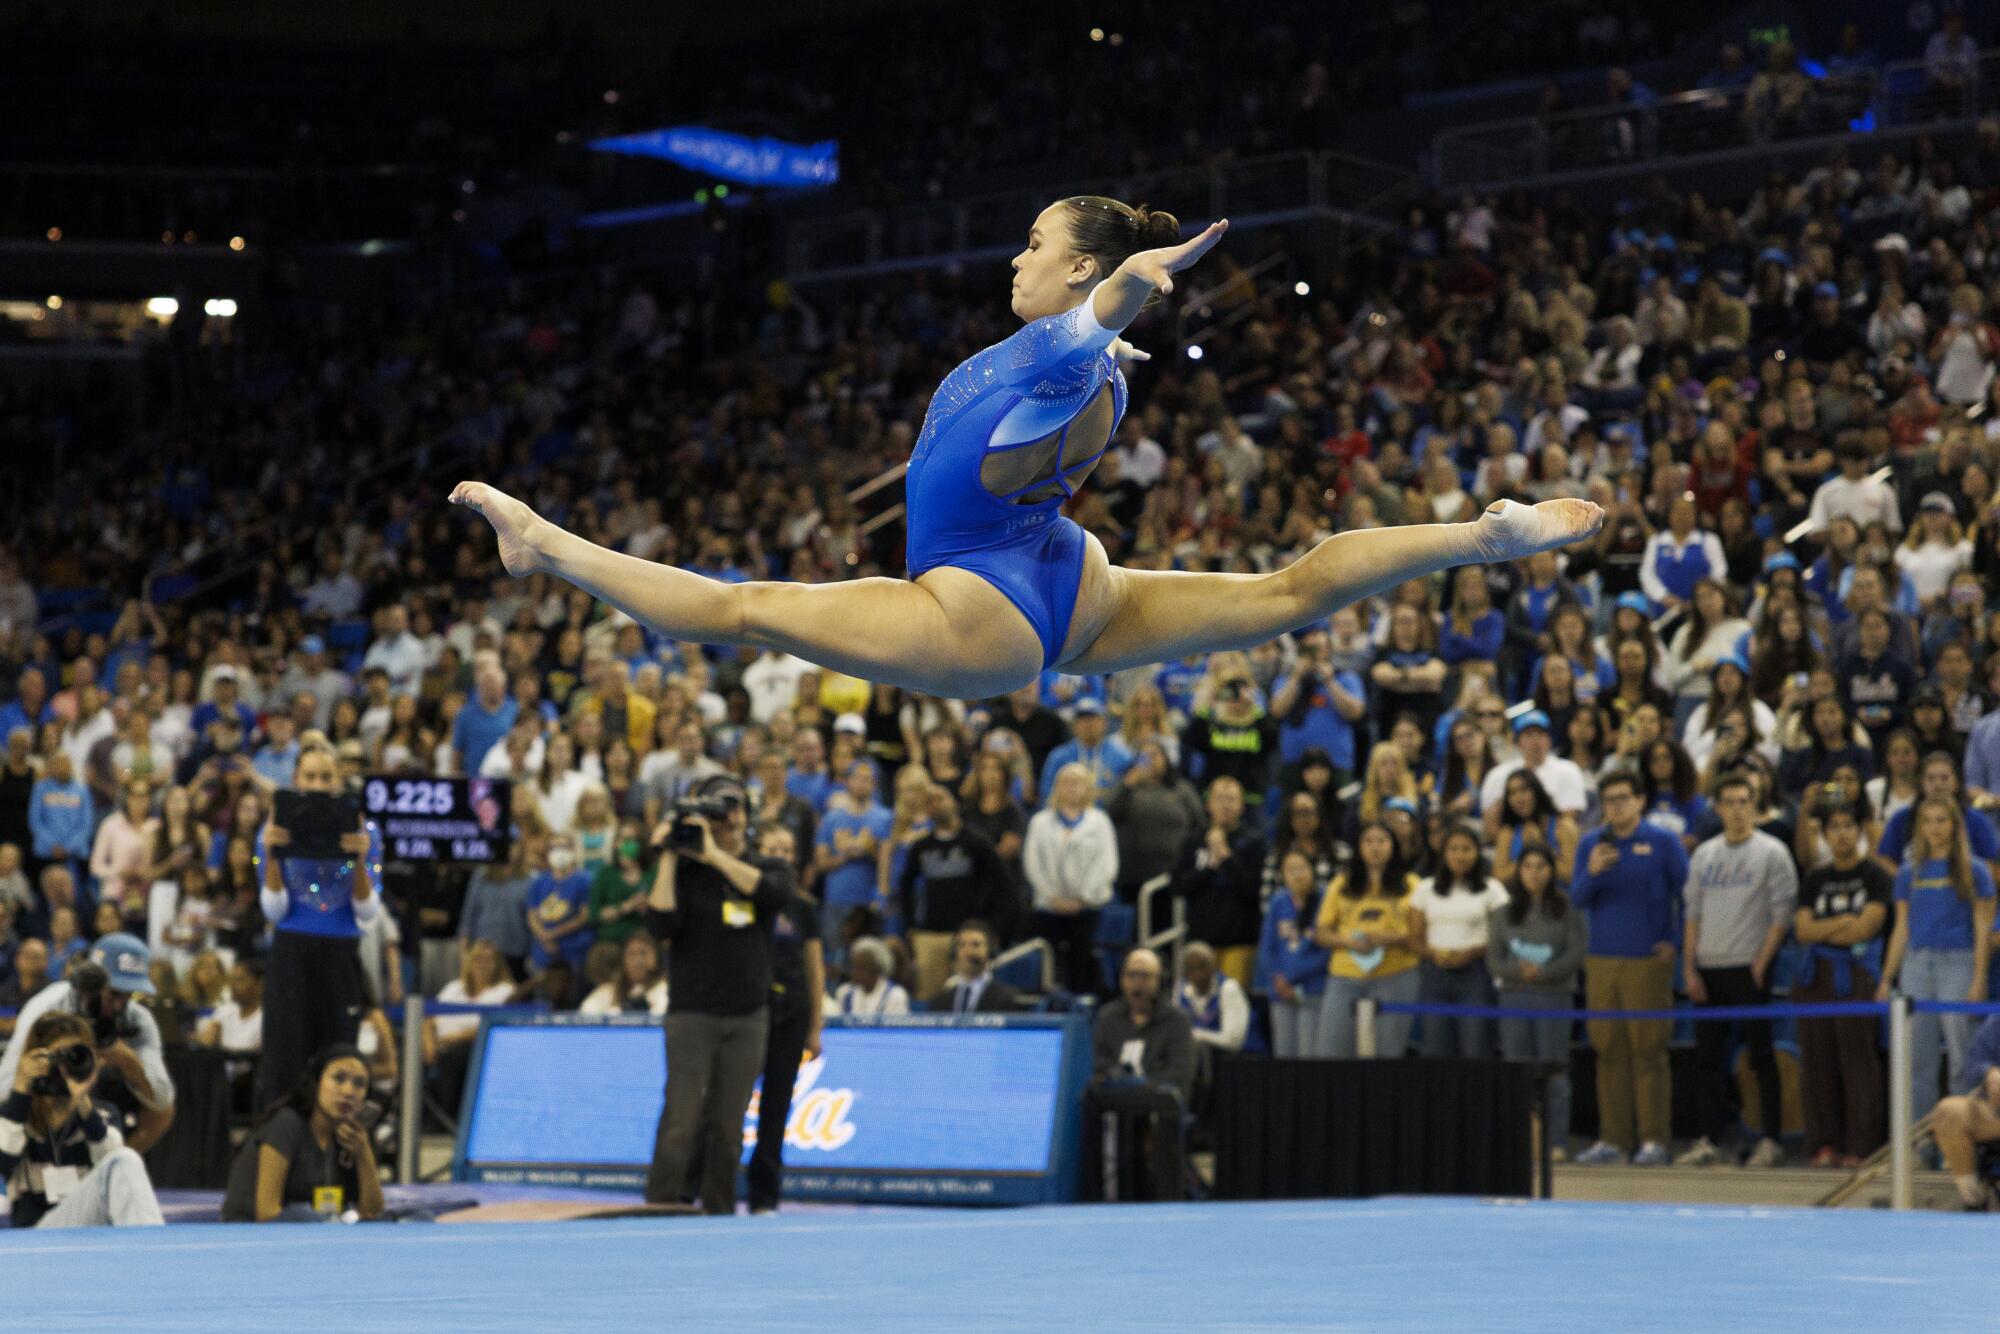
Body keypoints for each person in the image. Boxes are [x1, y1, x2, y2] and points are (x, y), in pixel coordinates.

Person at [453, 202, 1600, 706]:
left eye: (1036, 244)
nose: (1018, 255)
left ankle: (545, 542)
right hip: (1064, 575)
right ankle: (1477, 537)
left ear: (1072, 271)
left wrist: (1118, 296)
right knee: (1284, 587)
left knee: (747, 608)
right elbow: (1068, 352)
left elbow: (1078, 331)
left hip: (976, 605)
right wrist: (1106, 321)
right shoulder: (1068, 366)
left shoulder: (1070, 348)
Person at [641, 775, 796, 1214]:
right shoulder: (688, 874)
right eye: (718, 814)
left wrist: (714, 855)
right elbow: (660, 924)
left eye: (735, 814)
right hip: (692, 1015)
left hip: (748, 1016)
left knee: (729, 1127)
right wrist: (671, 857)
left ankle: (719, 1212)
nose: (728, 822)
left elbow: (770, 894)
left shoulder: (768, 866)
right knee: (681, 1120)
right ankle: (660, 1207)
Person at [1676, 775, 1798, 1169]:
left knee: (1762, 1057)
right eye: (1728, 801)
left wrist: (1761, 963)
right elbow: (1692, 914)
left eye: (1743, 801)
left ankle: (1770, 1139)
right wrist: (1689, 968)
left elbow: (1782, 915)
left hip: (1750, 966)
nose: (1736, 809)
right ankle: (1711, 1138)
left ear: (1755, 804)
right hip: (1709, 967)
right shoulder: (1704, 855)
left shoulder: (1772, 852)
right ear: (1718, 807)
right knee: (1707, 1060)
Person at [254, 738, 383, 1109]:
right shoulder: (275, 826)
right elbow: (274, 911)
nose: (318, 784)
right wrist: (271, 854)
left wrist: (360, 859)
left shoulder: (364, 831)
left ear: (338, 782)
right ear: (297, 779)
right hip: (291, 951)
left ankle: (336, 1143)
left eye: (327, 777)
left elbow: (367, 911)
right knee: (284, 1057)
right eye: (310, 776)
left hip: (340, 952)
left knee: (339, 1055)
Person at [1571, 771, 1686, 1167]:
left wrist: (1675, 940)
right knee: (1608, 1052)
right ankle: (1613, 1140)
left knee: (1649, 1053)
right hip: (1602, 959)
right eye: (1609, 800)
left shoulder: (1663, 842)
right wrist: (1592, 871)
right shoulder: (1591, 843)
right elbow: (1578, 898)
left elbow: (1687, 896)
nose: (1616, 806)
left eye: (1623, 798)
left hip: (1648, 961)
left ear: (1640, 801)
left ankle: (1654, 1139)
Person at [1876, 797, 1997, 1126]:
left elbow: (1983, 927)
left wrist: (1979, 977)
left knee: (1961, 1056)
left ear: (1954, 825)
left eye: (1941, 819)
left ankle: (1960, 1136)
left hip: (1958, 962)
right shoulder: (1907, 871)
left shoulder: (1974, 869)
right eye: (1928, 820)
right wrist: (1887, 978)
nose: (1934, 827)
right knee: (1918, 1059)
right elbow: (1901, 928)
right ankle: (1922, 1139)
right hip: (1916, 964)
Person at [0, 933, 176, 1154]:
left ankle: (114, 1163)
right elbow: (5, 1085)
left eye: (129, 994)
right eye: (114, 993)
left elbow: (161, 1099)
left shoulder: (137, 1019)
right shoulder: (48, 1006)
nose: (121, 1004)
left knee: (164, 1111)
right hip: (46, 1099)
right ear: (90, 984)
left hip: (105, 1102)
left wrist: (129, 1062)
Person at [1793, 801, 1891, 1167]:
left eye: (1849, 825)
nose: (1842, 833)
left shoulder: (1876, 875)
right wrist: (1845, 922)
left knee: (1858, 1063)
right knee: (1817, 1063)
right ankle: (1823, 1143)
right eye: (1834, 827)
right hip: (1814, 977)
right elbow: (1803, 930)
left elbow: (1867, 928)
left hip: (1857, 976)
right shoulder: (1815, 879)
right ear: (1824, 834)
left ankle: (1861, 1146)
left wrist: (1829, 929)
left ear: (1860, 831)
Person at [1, 1010, 164, 1228]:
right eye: (57, 1056)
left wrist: (83, 1104)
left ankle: (150, 1251)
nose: (64, 1067)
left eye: (75, 1057)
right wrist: (21, 1087)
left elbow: (113, 1165)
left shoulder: (100, 1114)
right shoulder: (15, 1115)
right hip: (36, 1236)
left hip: (88, 1232)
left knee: (126, 1158)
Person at [745, 821, 824, 1215]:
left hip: (791, 1014)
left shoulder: (803, 906)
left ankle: (764, 1195)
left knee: (776, 1109)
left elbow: (814, 967)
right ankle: (712, 1188)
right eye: (773, 849)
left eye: (787, 851)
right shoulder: (747, 898)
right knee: (729, 1107)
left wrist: (815, 1025)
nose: (782, 858)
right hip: (750, 1012)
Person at [1487, 845, 1585, 1161]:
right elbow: (1494, 958)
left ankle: (1555, 1141)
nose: (1534, 872)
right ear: (1518, 871)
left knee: (1554, 1070)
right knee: (1518, 1070)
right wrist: (1518, 971)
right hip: (1513, 997)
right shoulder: (1502, 913)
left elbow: (1575, 953)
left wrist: (1544, 973)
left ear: (1551, 871)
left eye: (1541, 866)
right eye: (1527, 866)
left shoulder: (1567, 909)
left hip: (1554, 996)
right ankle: (1522, 1140)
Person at [220, 1044, 384, 1222]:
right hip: (250, 1237)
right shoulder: (285, 1124)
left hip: (313, 1236)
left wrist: (363, 1153)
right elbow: (267, 1213)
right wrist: (323, 1224)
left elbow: (371, 1212)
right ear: (316, 1082)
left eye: (359, 1084)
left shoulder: (355, 1138)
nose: (348, 1091)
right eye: (338, 1078)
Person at [1314, 821, 1421, 1059]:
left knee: (1388, 1053)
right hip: (1344, 975)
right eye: (1368, 841)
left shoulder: (1412, 884)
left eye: (1381, 841)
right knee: (1330, 1051)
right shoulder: (1341, 883)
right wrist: (1347, 942)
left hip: (1396, 974)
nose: (1375, 847)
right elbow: (1321, 932)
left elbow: (1421, 933)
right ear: (1359, 847)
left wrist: (1392, 937)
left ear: (1393, 846)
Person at [894, 788, 1011, 998]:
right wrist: (910, 923)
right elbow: (905, 886)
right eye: (931, 801)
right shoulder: (921, 846)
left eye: (941, 798)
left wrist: (992, 927)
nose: (937, 804)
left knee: (970, 997)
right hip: (931, 934)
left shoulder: (976, 842)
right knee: (931, 1000)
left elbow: (1002, 884)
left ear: (955, 802)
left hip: (968, 933)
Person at [1410, 824, 1510, 1059]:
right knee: (1435, 1049)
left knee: (1476, 1048)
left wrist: (1473, 952)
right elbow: (1414, 939)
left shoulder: (1492, 889)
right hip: (1435, 974)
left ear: (1477, 853)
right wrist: (1432, 953)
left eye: (1466, 849)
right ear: (1443, 853)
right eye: (1453, 849)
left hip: (1476, 974)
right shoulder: (1425, 889)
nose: (1460, 855)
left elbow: (1502, 937)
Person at [1023, 762, 1118, 995]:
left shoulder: (1099, 822)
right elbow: (1032, 863)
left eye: (1077, 783)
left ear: (1088, 787)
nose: (1071, 788)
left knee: (1082, 962)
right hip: (1048, 908)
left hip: (1087, 909)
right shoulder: (1040, 822)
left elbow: (1106, 863)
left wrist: (1083, 898)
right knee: (1049, 963)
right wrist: (1051, 897)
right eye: (1065, 783)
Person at [1171, 776, 1265, 989]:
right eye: (1220, 799)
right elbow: (1178, 886)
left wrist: (1226, 857)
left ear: (1241, 806)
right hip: (1201, 939)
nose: (1226, 805)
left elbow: (1252, 888)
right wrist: (1209, 866)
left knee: (1234, 1004)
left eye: (1232, 799)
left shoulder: (1254, 842)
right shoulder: (1193, 840)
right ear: (1208, 804)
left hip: (1239, 941)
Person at [1091, 947, 1195, 1103]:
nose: (1137, 983)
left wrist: (1140, 1088)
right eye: (1131, 975)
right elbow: (1097, 1064)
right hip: (1113, 1103)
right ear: (1121, 979)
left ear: (1159, 981)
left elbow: (1179, 1075)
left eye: (1145, 976)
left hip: (1158, 1106)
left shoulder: (1177, 1020)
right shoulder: (1107, 1017)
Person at [1257, 848, 1332, 1057]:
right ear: (1282, 875)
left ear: (1312, 871)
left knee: (1309, 1056)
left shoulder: (1325, 900)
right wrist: (1278, 979)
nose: (1297, 874)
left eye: (1302, 868)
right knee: (1284, 1056)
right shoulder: (1277, 903)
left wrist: (1294, 976)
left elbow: (1327, 951)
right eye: (1290, 869)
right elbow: (1267, 948)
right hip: (1281, 992)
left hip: (1314, 989)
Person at [1932, 1016, 2000, 1210]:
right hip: (1995, 1112)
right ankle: (1973, 1198)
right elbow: (1971, 1067)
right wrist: (1989, 1072)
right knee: (1949, 1112)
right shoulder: (1996, 1024)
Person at [925, 920, 1021, 1014]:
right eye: (962, 945)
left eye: (975, 945)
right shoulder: (939, 1001)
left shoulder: (1008, 998)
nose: (968, 951)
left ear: (990, 950)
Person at [579, 932, 668, 1015]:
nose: (637, 960)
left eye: (643, 953)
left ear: (656, 959)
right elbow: (586, 1013)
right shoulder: (609, 990)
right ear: (623, 960)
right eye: (631, 954)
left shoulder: (664, 989)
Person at [830, 936, 910, 1017]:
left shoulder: (895, 995)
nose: (855, 972)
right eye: (854, 966)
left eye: (862, 968)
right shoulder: (844, 993)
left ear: (877, 969)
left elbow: (897, 1027)